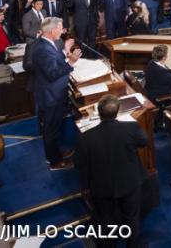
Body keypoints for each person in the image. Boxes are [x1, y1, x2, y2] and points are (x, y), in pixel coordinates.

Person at [73, 94, 148, 248]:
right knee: (131, 218)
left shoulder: (86, 137)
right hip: (129, 183)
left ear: (99, 112)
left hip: (101, 187)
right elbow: (143, 141)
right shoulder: (131, 128)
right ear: (117, 112)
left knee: (104, 221)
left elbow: (78, 163)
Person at [32, 17, 82, 169]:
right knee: (51, 128)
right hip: (51, 95)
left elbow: (55, 60)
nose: (62, 30)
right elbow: (53, 73)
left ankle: (56, 152)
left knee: (54, 126)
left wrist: (66, 51)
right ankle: (54, 161)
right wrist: (71, 62)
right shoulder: (43, 49)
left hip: (53, 92)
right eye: (60, 28)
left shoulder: (46, 43)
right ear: (52, 30)